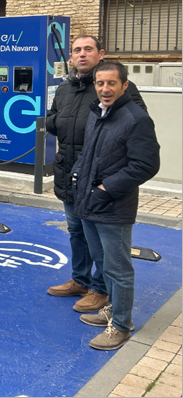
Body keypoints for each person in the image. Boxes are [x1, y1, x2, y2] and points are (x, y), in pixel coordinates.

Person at [46, 35, 146, 314]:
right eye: (76, 50)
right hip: (70, 172)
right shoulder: (65, 87)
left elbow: (135, 125)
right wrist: (60, 122)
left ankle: (100, 290)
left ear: (100, 54)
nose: (82, 54)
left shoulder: (114, 87)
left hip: (100, 176)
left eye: (88, 49)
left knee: (100, 240)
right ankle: (80, 279)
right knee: (77, 231)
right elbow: (54, 119)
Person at [72, 61, 160, 351]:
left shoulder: (136, 118)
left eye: (111, 83)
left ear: (125, 85)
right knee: (103, 262)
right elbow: (91, 153)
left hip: (113, 207)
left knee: (118, 268)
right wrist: (78, 174)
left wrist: (105, 188)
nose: (105, 89)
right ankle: (113, 309)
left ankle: (121, 325)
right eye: (100, 83)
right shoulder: (98, 112)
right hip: (89, 202)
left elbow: (145, 164)